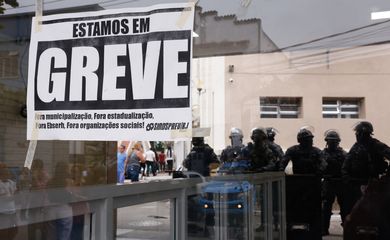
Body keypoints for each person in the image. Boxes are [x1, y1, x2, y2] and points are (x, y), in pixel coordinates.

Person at [342, 121, 390, 220]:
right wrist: (346, 177)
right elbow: (347, 163)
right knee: (355, 209)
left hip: (372, 183)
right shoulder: (356, 146)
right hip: (355, 183)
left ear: (363, 133)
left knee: (372, 209)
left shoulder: (376, 145)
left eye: (358, 133)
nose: (356, 135)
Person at [321, 130, 347, 236]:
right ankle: (324, 228)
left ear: (338, 142)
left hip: (341, 183)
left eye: (334, 141)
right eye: (331, 141)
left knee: (345, 207)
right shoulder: (322, 154)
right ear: (327, 142)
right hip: (329, 182)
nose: (332, 143)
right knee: (326, 207)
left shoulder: (344, 154)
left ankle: (347, 228)